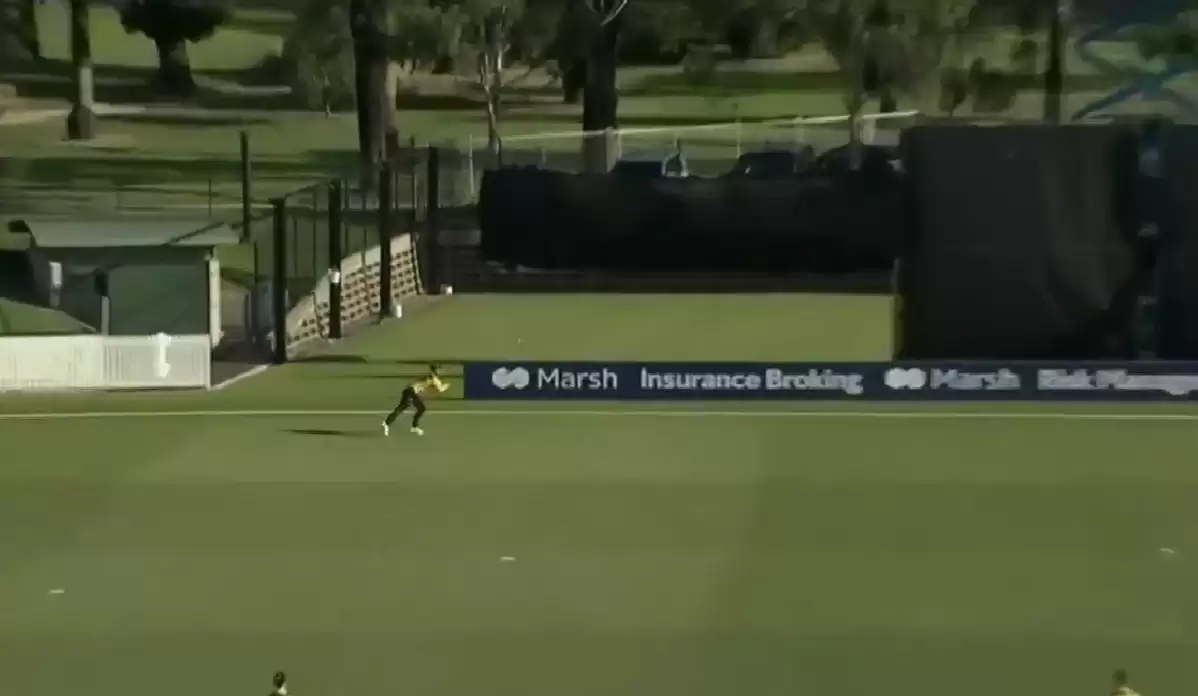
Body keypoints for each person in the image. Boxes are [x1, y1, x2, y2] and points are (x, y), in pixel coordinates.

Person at [382, 364, 449, 437]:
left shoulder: (430, 376)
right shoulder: (434, 378)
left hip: (407, 390)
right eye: (439, 370)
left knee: (402, 408)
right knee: (421, 408)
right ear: (436, 370)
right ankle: (414, 426)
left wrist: (423, 387)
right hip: (411, 391)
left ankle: (387, 423)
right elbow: (440, 389)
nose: (441, 371)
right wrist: (446, 386)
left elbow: (422, 383)